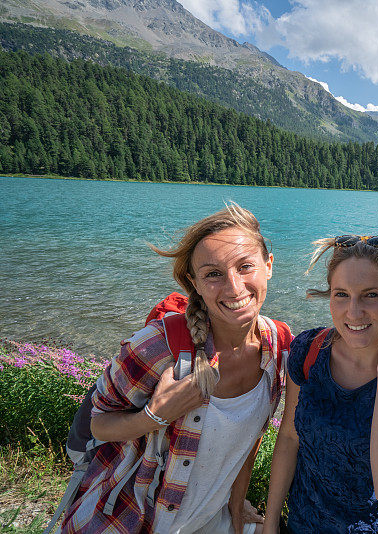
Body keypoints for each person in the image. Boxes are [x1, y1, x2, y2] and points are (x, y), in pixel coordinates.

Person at [60, 204, 291, 534]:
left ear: (268, 266)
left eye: (245, 267)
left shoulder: (280, 345)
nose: (234, 287)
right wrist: (152, 416)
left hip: (212, 519)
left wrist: (237, 505)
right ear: (193, 283)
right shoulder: (157, 345)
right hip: (130, 519)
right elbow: (98, 424)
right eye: (213, 274)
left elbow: (250, 439)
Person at [262, 235, 378, 534]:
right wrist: (271, 523)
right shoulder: (309, 351)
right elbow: (290, 437)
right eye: (341, 294)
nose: (353, 312)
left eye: (371, 295)